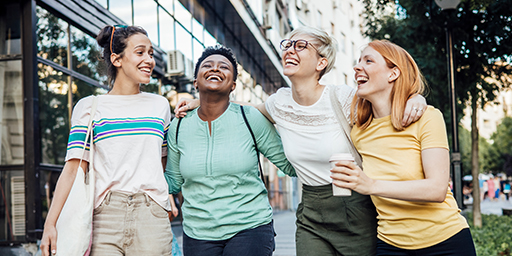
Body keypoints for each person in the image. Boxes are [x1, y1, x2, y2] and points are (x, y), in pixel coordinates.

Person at [175, 26, 427, 256]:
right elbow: (243, 107)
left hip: (354, 206)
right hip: (310, 209)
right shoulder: (279, 102)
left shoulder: (343, 97)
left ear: (321, 63)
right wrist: (202, 101)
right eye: (288, 45)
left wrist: (416, 99)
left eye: (300, 46)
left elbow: (386, 107)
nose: (290, 50)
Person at [331, 39, 476, 255]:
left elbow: (437, 189)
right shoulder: (359, 131)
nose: (357, 66)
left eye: (368, 61)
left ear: (393, 74)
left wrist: (371, 185)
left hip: (446, 241)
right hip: (391, 246)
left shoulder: (427, 118)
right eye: (358, 61)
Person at [40, 25, 175, 255]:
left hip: (151, 214)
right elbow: (73, 170)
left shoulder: (160, 105)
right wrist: (50, 224)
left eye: (151, 54)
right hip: (104, 216)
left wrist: (167, 196)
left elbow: (162, 162)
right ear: (116, 59)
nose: (149, 60)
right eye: (140, 52)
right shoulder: (90, 107)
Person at [165, 45, 296, 256]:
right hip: (197, 233)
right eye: (207, 65)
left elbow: (289, 164)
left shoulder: (250, 118)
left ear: (233, 85)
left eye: (224, 67)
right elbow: (172, 179)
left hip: (250, 227)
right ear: (196, 82)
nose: (215, 69)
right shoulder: (178, 126)